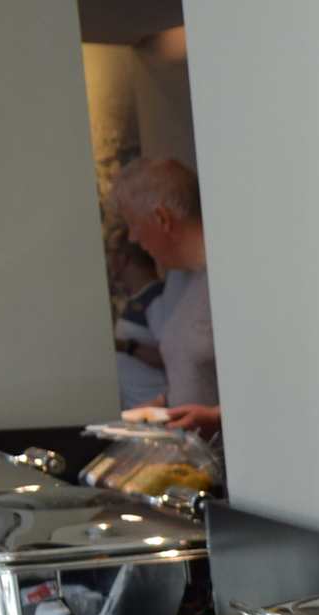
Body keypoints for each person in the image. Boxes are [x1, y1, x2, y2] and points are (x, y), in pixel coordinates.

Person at [111, 158, 219, 435]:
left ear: (162, 219)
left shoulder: (227, 283)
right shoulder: (179, 280)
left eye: (133, 224)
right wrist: (161, 405)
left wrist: (215, 417)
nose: (133, 238)